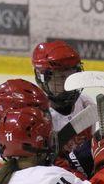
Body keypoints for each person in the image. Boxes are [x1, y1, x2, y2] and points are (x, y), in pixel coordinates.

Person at [31, 40, 95, 176]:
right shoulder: (37, 117)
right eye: (60, 78)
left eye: (72, 76)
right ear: (42, 79)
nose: (68, 85)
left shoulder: (86, 104)